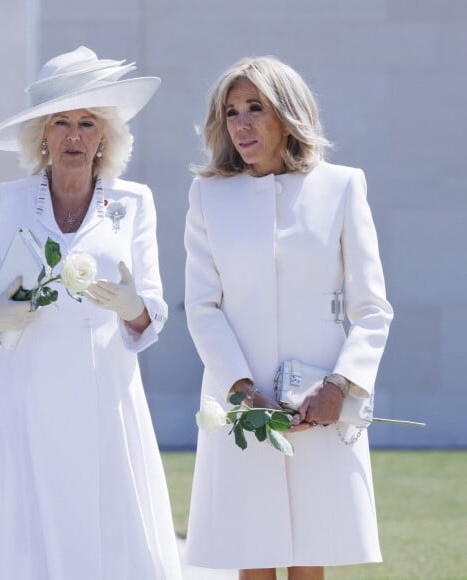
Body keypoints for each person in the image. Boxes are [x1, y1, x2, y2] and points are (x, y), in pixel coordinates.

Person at [0, 46, 181, 580]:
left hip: (106, 400)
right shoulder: (8, 201)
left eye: (86, 122)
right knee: (28, 542)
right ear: (42, 135)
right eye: (60, 122)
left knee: (115, 542)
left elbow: (154, 311)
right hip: (24, 401)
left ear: (105, 136)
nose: (74, 135)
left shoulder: (134, 202)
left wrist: (134, 308)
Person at [184, 56, 394, 580]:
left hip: (319, 398)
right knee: (249, 551)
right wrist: (240, 386)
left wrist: (342, 386)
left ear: (288, 113)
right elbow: (203, 306)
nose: (242, 123)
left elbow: (372, 308)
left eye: (255, 107)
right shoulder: (209, 196)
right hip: (241, 400)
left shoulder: (342, 187)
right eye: (231, 112)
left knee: (311, 550)